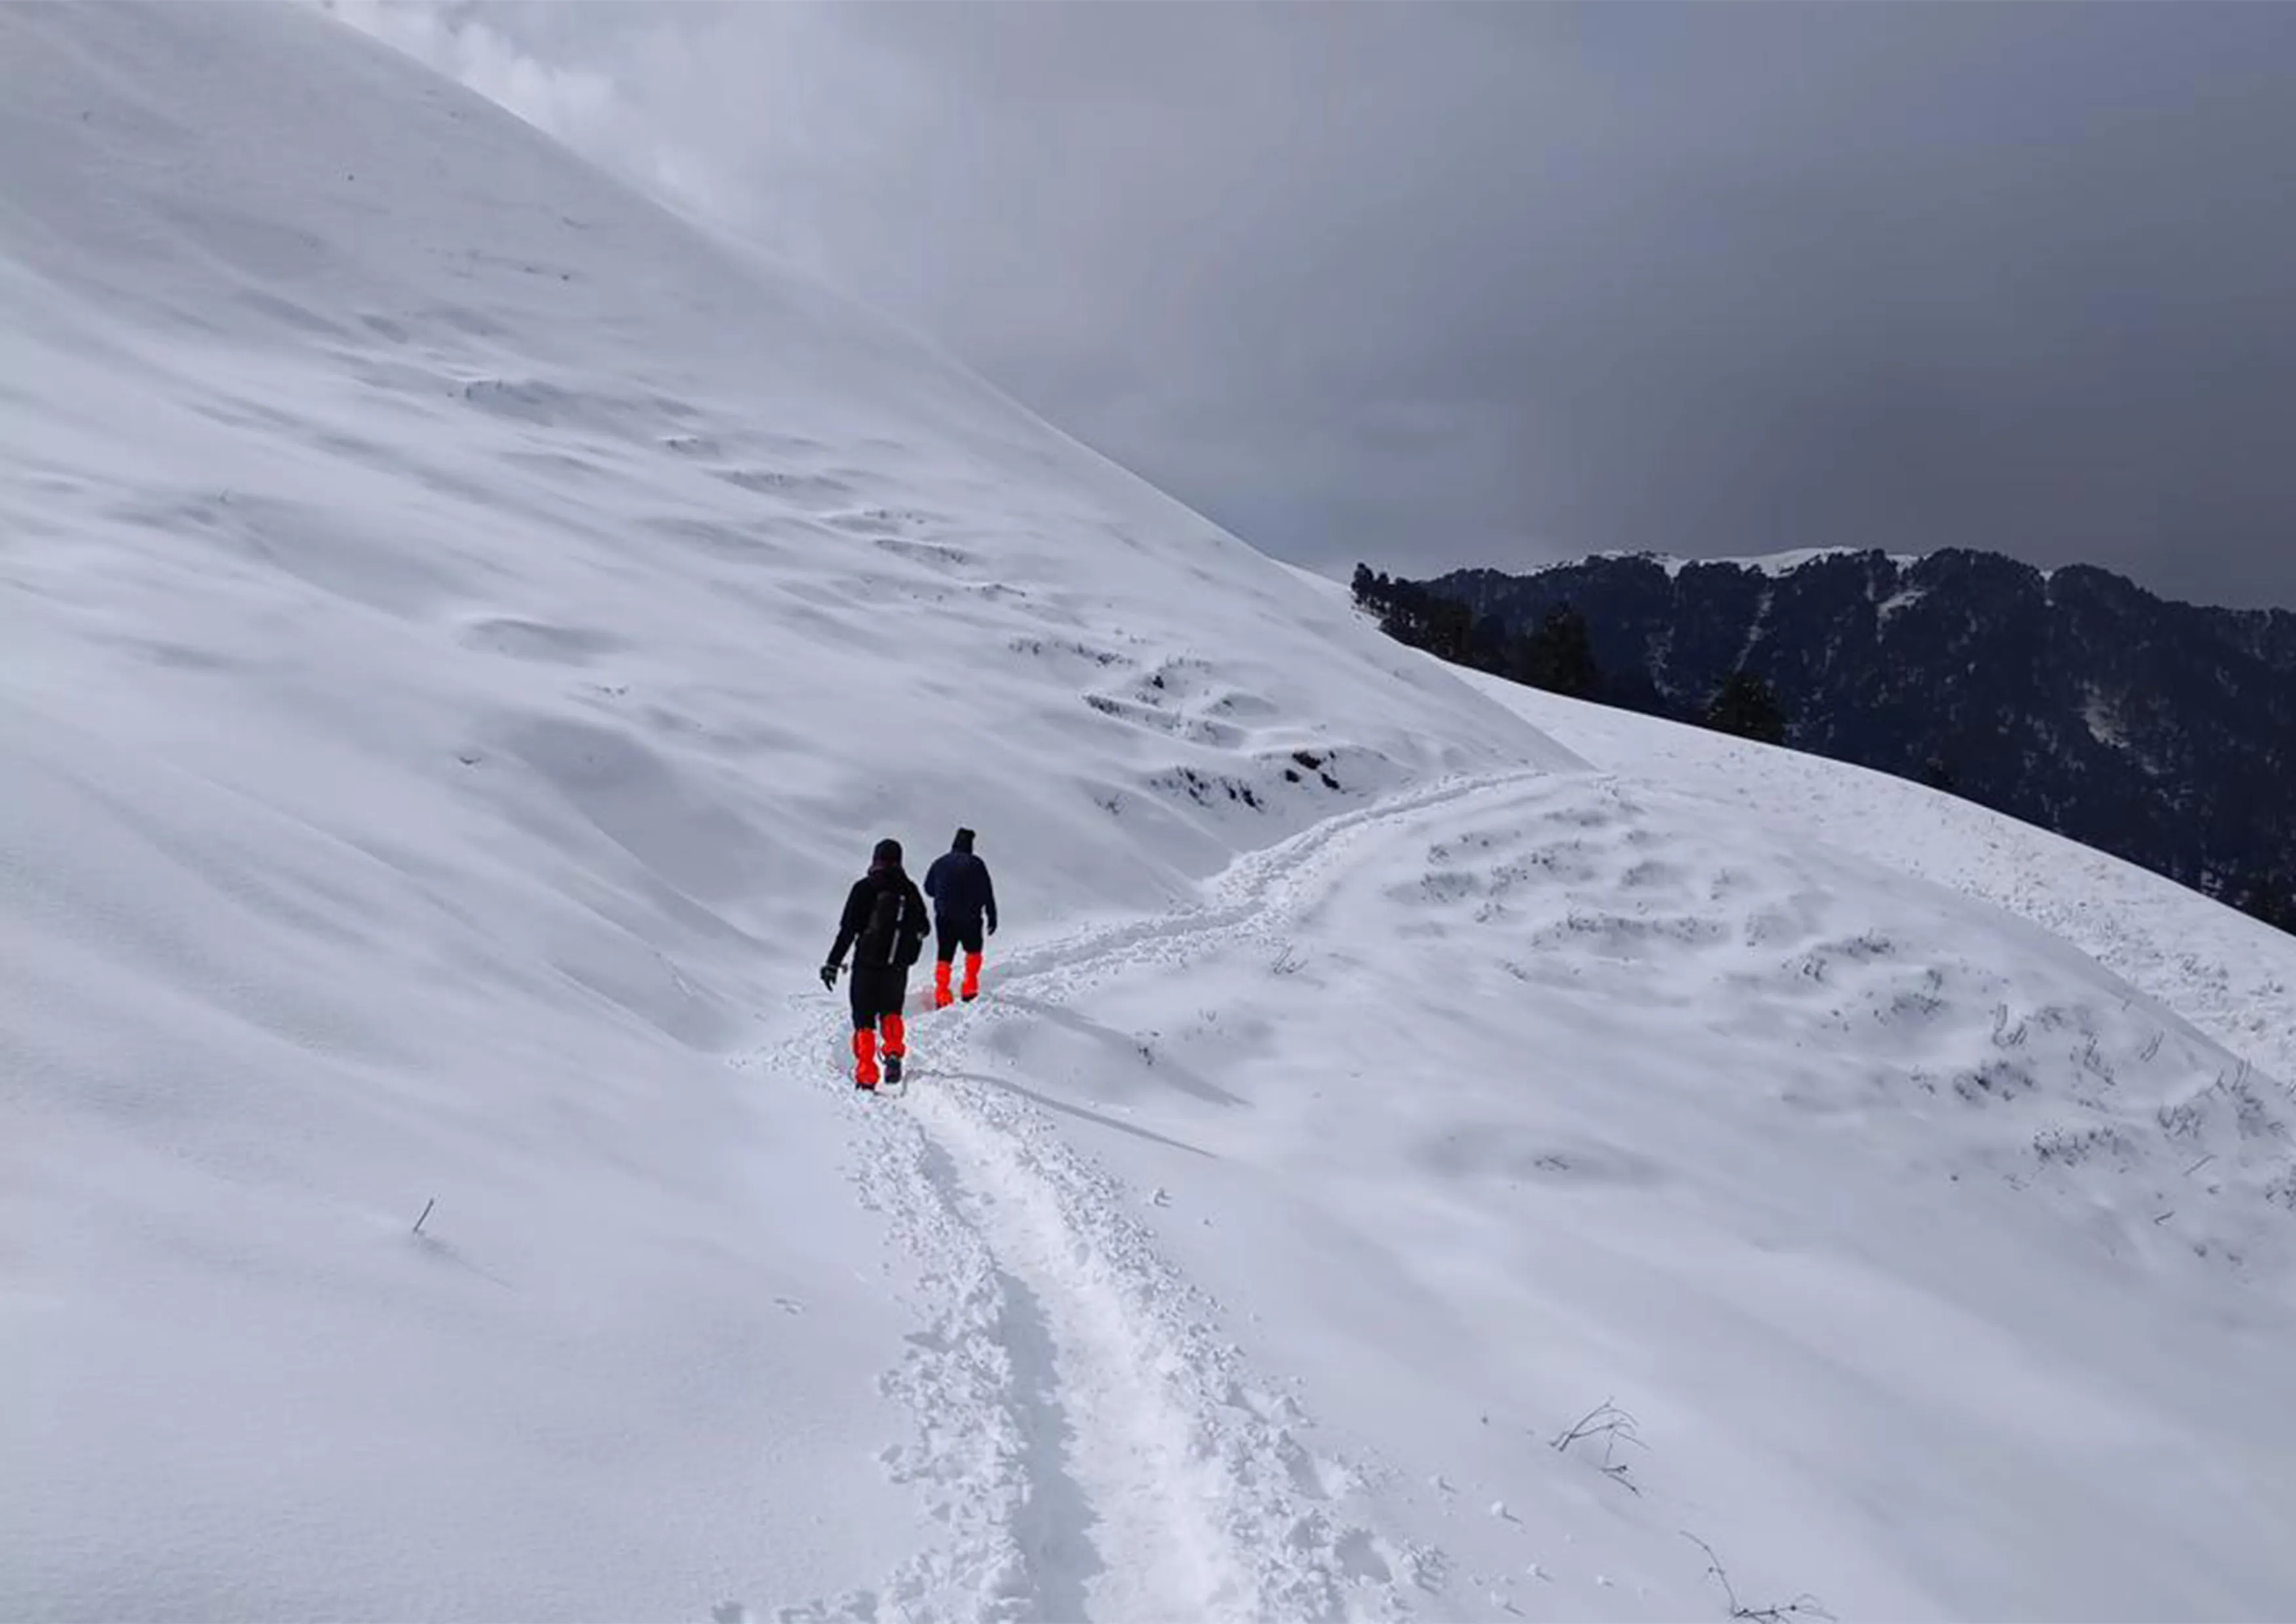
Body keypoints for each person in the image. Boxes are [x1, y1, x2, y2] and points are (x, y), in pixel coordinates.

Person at [821, 837, 928, 1090]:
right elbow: (924, 927)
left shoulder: (865, 888)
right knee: (892, 1013)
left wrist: (833, 963)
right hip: (897, 968)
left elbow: (848, 930)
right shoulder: (910, 890)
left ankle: (867, 1074)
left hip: (866, 966)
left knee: (864, 1020)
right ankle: (893, 1053)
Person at [923, 826, 998, 1008]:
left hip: (945, 917)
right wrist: (991, 915)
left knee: (945, 955)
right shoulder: (977, 864)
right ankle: (969, 989)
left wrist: (943, 894)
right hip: (971, 917)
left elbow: (928, 889)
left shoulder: (940, 862)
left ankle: (942, 994)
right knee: (973, 952)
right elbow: (987, 891)